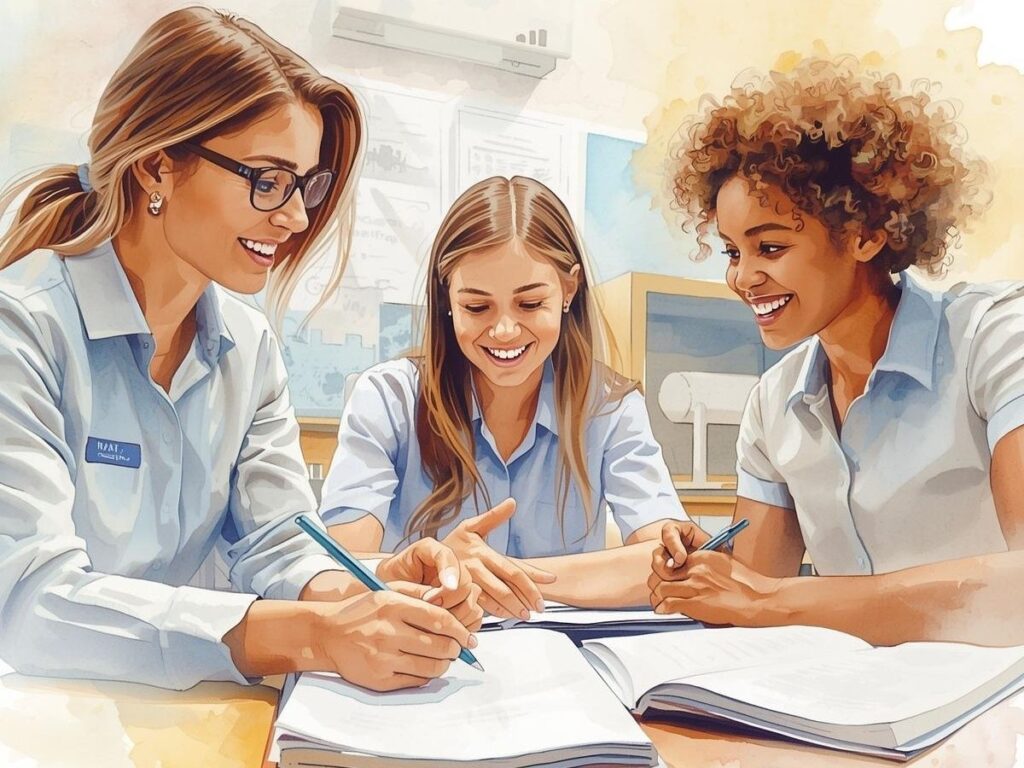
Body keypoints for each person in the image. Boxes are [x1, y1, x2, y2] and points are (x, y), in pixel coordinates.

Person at [0, 6, 482, 693]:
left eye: (304, 185)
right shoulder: (21, 325)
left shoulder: (248, 347)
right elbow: (29, 603)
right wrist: (311, 634)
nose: (294, 217)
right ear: (157, 166)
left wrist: (371, 586)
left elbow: (281, 541)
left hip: (185, 720)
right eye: (266, 179)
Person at [650, 56, 1024, 646]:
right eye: (730, 252)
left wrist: (773, 599)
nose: (742, 279)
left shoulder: (996, 339)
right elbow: (748, 596)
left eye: (769, 247)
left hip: (987, 714)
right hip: (840, 708)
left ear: (867, 235)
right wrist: (704, 572)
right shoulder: (774, 403)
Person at [320, 176, 702, 617]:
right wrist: (439, 568)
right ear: (447, 297)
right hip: (423, 658)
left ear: (569, 290)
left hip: (563, 661)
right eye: (477, 307)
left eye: (529, 304)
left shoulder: (611, 407)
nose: (504, 331)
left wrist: (495, 575)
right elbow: (342, 569)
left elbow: (667, 564)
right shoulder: (388, 400)